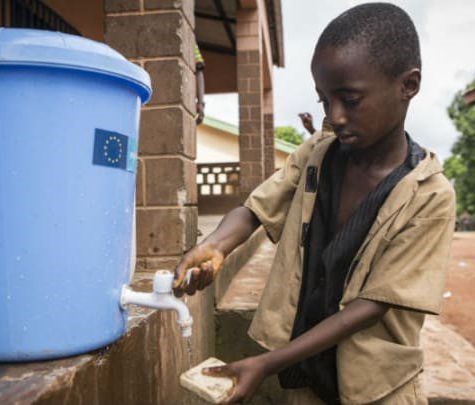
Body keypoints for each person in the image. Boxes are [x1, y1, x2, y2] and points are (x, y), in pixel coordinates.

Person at [173, 3, 455, 404]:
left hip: (376, 388)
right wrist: (216, 245)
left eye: (350, 100)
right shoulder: (317, 156)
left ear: (408, 85)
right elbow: (256, 208)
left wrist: (266, 364)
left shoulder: (429, 196)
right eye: (325, 101)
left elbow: (372, 306)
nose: (335, 117)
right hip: (305, 378)